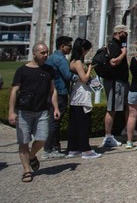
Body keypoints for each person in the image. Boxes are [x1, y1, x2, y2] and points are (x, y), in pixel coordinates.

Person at [8, 42, 60, 182]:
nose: (45, 55)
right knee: (23, 141)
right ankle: (26, 171)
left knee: (42, 138)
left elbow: (53, 90)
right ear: (34, 53)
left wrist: (55, 108)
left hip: (42, 110)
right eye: (42, 53)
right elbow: (14, 91)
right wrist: (11, 112)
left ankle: (31, 156)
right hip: (24, 111)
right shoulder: (22, 70)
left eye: (46, 52)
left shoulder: (49, 70)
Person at [67, 37, 102, 159]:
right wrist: (90, 69)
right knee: (83, 123)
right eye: (86, 50)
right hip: (81, 93)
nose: (87, 52)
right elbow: (84, 78)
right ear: (82, 49)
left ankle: (73, 148)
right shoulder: (77, 62)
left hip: (76, 93)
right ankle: (85, 149)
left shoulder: (72, 61)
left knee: (75, 123)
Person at [43, 35, 73, 159]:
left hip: (50, 92)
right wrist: (84, 76)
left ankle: (54, 146)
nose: (70, 49)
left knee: (53, 120)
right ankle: (49, 149)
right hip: (60, 92)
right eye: (69, 46)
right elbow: (68, 75)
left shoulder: (51, 58)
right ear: (62, 46)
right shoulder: (60, 59)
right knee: (55, 122)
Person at [103, 24, 130, 149]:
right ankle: (108, 136)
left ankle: (127, 129)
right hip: (115, 81)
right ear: (119, 33)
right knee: (112, 108)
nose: (127, 35)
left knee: (126, 106)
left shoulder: (120, 44)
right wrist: (123, 54)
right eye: (125, 33)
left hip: (122, 80)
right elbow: (113, 62)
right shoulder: (113, 45)